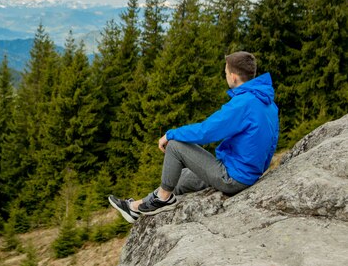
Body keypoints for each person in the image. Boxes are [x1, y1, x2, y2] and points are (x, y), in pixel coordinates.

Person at [109, 51, 279, 222]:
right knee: (181, 177)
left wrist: (170, 134)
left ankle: (163, 199)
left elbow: (206, 131)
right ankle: (135, 208)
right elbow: (271, 142)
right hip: (246, 172)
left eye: (226, 73)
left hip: (233, 177)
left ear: (234, 77)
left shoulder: (242, 104)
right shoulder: (266, 102)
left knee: (175, 146)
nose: (225, 76)